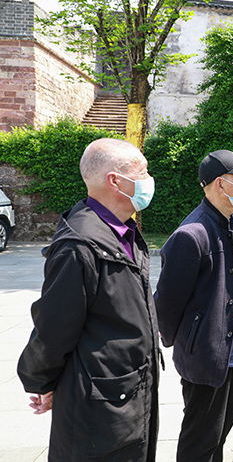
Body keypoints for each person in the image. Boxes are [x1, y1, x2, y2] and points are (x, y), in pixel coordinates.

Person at [17, 138, 160, 461]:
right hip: (100, 409)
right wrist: (40, 380)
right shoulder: (79, 245)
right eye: (142, 172)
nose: (149, 180)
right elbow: (54, 326)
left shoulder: (122, 231)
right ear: (115, 181)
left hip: (126, 394)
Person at [154, 149, 233, 462]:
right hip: (206, 356)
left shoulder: (229, 224)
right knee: (200, 440)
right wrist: (186, 345)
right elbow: (166, 303)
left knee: (220, 430)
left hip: (231, 352)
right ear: (219, 184)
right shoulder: (192, 235)